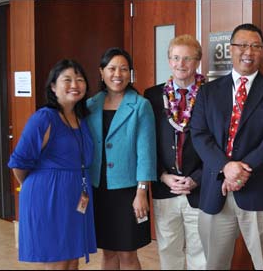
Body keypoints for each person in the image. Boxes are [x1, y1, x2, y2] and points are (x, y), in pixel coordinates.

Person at [189, 23, 263, 270]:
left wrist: (241, 170)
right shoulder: (208, 92)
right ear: (231, 48)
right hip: (215, 192)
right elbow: (199, 134)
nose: (249, 51)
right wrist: (226, 167)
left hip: (260, 191)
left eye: (256, 46)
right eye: (242, 45)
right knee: (214, 264)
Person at [8, 59, 96, 270]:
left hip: (76, 195)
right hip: (49, 197)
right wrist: (38, 187)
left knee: (72, 258)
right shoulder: (44, 118)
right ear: (53, 87)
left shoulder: (81, 118)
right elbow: (18, 163)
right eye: (67, 80)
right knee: (58, 262)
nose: (74, 84)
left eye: (80, 79)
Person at [87, 47, 157, 270]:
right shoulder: (90, 105)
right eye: (112, 68)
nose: (118, 74)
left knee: (127, 254)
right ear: (101, 72)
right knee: (107, 253)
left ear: (131, 74)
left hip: (129, 191)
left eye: (124, 69)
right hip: (99, 190)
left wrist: (141, 192)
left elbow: (146, 153)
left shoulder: (140, 105)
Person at [144, 34, 206, 270]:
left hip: (199, 188)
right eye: (176, 58)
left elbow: (218, 143)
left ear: (197, 61)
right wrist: (161, 174)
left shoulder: (210, 94)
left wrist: (196, 178)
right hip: (165, 187)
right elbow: (147, 141)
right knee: (169, 249)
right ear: (169, 61)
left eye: (187, 59)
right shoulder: (151, 95)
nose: (181, 64)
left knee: (200, 251)